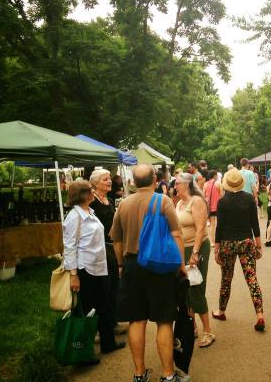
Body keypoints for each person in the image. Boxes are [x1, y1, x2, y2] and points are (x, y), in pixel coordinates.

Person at [110, 164, 189, 382]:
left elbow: (116, 240)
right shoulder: (162, 201)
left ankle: (139, 374)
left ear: (134, 182)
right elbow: (177, 234)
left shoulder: (123, 204)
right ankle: (168, 375)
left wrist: (120, 264)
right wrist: (181, 265)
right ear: (155, 179)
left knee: (136, 320)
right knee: (164, 320)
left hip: (132, 265)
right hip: (160, 266)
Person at [64, 180, 125, 363]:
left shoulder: (90, 212)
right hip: (85, 270)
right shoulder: (74, 217)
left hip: (99, 267)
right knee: (87, 311)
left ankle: (108, 343)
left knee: (103, 306)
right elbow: (69, 247)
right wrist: (73, 275)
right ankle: (84, 353)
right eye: (90, 190)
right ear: (81, 194)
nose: (93, 192)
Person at [212, 168, 264, 331]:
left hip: (228, 243)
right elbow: (254, 224)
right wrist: (259, 245)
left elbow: (219, 227)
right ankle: (260, 315)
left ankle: (221, 311)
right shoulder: (249, 199)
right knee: (252, 278)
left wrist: (217, 248)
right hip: (246, 242)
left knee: (226, 279)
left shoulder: (222, 202)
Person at [175, 173, 215, 348]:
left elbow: (200, 229)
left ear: (186, 185)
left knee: (196, 288)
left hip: (197, 249)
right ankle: (193, 327)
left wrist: (195, 253)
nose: (174, 185)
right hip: (183, 250)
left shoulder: (196, 201)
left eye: (177, 183)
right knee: (186, 290)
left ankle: (208, 332)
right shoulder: (178, 203)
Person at [89, 169, 126, 335]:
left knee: (113, 286)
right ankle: (98, 328)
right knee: (102, 288)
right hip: (99, 248)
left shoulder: (108, 200)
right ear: (95, 184)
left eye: (109, 179)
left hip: (112, 247)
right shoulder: (91, 202)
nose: (110, 181)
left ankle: (112, 321)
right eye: (105, 179)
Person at [203, 170, 222, 246]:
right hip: (219, 206)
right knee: (220, 223)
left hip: (209, 207)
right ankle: (219, 240)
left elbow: (203, 196)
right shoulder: (218, 183)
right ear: (214, 175)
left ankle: (212, 242)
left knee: (212, 225)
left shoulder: (205, 184)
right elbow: (222, 195)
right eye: (216, 175)